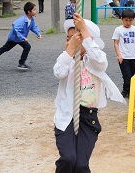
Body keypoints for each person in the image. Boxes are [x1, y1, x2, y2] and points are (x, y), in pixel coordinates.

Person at [53, 13, 125, 172]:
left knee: (80, 165)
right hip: (67, 115)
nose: (71, 41)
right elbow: (58, 72)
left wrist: (84, 32)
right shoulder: (67, 60)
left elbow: (100, 60)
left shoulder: (93, 62)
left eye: (76, 38)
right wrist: (71, 48)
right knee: (68, 158)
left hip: (88, 117)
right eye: (68, 38)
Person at [0, 1, 42, 71]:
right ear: (29, 11)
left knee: (27, 47)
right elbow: (15, 28)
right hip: (14, 38)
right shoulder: (22, 20)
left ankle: (21, 63)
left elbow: (33, 27)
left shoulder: (31, 19)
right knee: (5, 49)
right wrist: (22, 37)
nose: (35, 11)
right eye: (34, 10)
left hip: (20, 38)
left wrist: (38, 33)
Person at [112, 9, 135, 97]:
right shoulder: (118, 30)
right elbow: (116, 43)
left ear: (133, 19)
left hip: (133, 56)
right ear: (122, 19)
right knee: (127, 75)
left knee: (132, 75)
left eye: (130, 20)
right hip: (123, 56)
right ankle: (126, 91)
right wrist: (119, 55)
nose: (128, 22)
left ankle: (129, 91)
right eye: (126, 20)